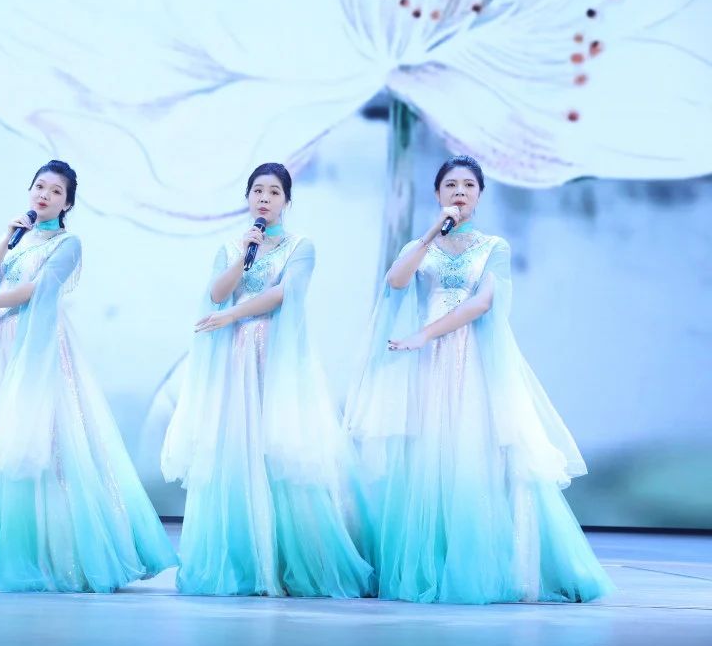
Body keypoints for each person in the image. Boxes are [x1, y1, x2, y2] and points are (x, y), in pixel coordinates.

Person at [344, 155, 613, 604]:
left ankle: (488, 565)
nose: (460, 192)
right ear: (437, 193)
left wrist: (425, 333)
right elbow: (396, 281)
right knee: (429, 456)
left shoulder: (493, 247)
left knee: (474, 453)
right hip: (426, 365)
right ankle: (431, 562)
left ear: (480, 194)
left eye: (469, 185)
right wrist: (430, 234)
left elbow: (482, 303)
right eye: (451, 184)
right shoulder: (421, 245)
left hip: (473, 362)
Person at [0, 160, 177, 592]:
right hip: (0, 348)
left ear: (67, 203)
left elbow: (34, 291)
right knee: (2, 443)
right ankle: (10, 550)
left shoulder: (68, 244)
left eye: (55, 191)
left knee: (46, 443)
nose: (44, 195)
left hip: (40, 352)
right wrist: (5, 239)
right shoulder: (17, 238)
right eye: (39, 187)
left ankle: (61, 556)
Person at [162, 163, 374, 597]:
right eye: (258, 190)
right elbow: (216, 294)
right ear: (247, 197)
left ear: (287, 201)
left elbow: (284, 294)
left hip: (277, 357)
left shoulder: (301, 246)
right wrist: (243, 256)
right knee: (237, 448)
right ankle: (243, 559)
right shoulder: (232, 247)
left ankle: (288, 558)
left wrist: (234, 315)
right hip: (235, 360)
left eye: (274, 192)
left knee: (278, 448)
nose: (264, 198)